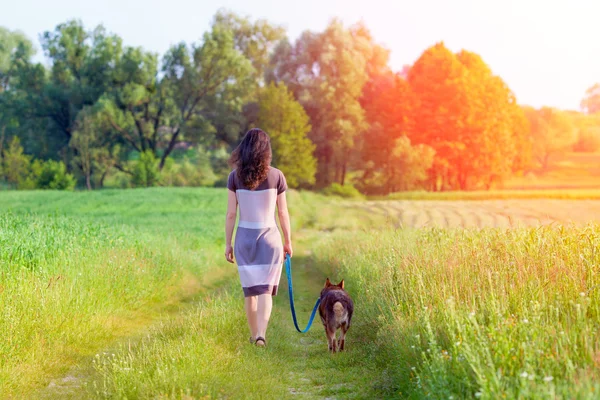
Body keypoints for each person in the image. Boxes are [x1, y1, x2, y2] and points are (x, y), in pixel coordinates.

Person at [224, 128, 293, 347]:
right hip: (270, 239)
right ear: (266, 150)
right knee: (265, 291)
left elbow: (231, 214)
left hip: (244, 239)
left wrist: (227, 243)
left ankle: (254, 336)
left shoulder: (234, 177)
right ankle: (262, 335)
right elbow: (282, 212)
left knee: (250, 292)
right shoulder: (277, 175)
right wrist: (288, 241)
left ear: (243, 149)